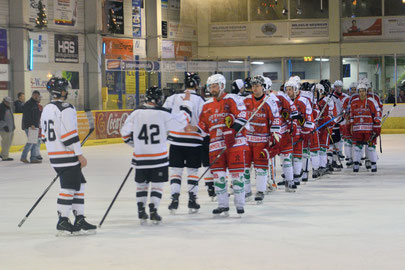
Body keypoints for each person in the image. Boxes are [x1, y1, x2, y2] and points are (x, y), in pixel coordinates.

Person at [120, 86, 192, 224]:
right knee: (157, 185)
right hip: (158, 158)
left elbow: (124, 134)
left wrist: (136, 145)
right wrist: (186, 103)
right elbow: (181, 123)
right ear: (159, 99)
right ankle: (153, 209)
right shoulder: (163, 113)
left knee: (141, 185)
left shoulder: (136, 113)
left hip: (140, 157)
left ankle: (141, 209)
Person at [185, 74, 249, 216]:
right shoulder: (207, 105)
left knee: (237, 175)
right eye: (210, 87)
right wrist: (194, 128)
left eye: (214, 86)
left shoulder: (232, 99)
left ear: (221, 86)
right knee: (218, 177)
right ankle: (222, 205)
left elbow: (243, 115)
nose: (212, 89)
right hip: (215, 144)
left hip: (235, 144)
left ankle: (239, 204)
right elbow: (204, 126)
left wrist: (233, 131)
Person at [41, 77, 96, 235]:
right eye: (66, 89)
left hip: (55, 155)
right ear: (62, 91)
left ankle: (79, 218)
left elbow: (43, 135)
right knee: (69, 187)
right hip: (66, 155)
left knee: (80, 184)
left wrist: (54, 148)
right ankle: (63, 220)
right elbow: (69, 135)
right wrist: (79, 155)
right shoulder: (66, 108)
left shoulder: (47, 108)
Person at [163, 73, 205, 214]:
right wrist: (199, 130)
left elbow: (164, 117)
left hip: (176, 140)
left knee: (176, 171)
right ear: (197, 85)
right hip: (194, 142)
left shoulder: (172, 98)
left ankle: (174, 198)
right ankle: (192, 199)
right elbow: (206, 121)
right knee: (192, 171)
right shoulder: (201, 100)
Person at [243, 75, 281, 203]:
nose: (254, 88)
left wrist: (274, 136)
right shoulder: (246, 100)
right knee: (245, 167)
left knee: (261, 167)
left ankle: (260, 190)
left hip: (262, 140)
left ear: (263, 87)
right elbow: (240, 116)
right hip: (247, 140)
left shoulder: (270, 102)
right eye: (253, 86)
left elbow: (275, 119)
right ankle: (246, 191)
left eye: (257, 86)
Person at [349, 83, 382, 172]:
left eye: (363, 91)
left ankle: (373, 164)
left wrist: (377, 126)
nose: (362, 93)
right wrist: (351, 126)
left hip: (369, 130)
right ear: (358, 92)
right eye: (360, 91)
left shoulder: (372, 101)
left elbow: (378, 113)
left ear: (366, 92)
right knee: (357, 147)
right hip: (357, 129)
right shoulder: (354, 102)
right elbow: (351, 115)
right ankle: (356, 164)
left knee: (371, 147)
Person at [21, 90, 42, 163]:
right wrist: (31, 124)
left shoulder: (35, 104)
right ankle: (23, 157)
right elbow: (27, 116)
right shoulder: (28, 104)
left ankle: (33, 158)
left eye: (37, 95)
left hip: (35, 125)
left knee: (34, 142)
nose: (36, 96)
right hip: (30, 126)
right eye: (35, 95)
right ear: (32, 95)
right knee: (31, 142)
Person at [0, 97, 15, 161]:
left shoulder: (8, 107)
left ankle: (3, 154)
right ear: (4, 101)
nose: (9, 103)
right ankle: (5, 157)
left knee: (8, 142)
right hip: (5, 129)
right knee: (6, 142)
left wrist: (13, 126)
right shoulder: (2, 108)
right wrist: (4, 126)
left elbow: (11, 117)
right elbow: (1, 118)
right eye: (7, 102)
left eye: (9, 102)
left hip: (10, 128)